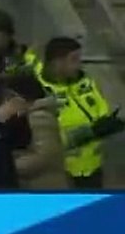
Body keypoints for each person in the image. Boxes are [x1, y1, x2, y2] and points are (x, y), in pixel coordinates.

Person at [34, 36, 122, 189]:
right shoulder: (38, 92)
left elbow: (101, 111)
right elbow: (46, 142)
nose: (78, 65)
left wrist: (109, 124)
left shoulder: (85, 82)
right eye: (73, 60)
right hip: (62, 175)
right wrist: (91, 132)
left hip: (94, 169)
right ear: (57, 62)